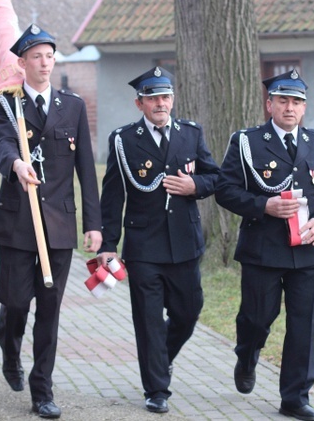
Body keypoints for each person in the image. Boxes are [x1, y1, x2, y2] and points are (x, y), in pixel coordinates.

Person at [0, 24, 102, 419]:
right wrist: (16, 164)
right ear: (22, 62)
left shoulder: (72, 105)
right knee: (17, 302)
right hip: (19, 220)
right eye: (36, 56)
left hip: (59, 224)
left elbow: (86, 167)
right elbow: (0, 146)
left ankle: (43, 391)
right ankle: (8, 342)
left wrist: (94, 223)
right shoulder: (6, 103)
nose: (45, 63)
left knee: (49, 311)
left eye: (50, 55)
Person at [214, 69, 314, 421]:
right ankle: (247, 353)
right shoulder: (247, 141)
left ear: (304, 108)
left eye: (297, 102)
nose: (290, 108)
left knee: (303, 325)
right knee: (258, 319)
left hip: (308, 250)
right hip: (264, 249)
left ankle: (295, 398)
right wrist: (264, 205)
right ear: (269, 104)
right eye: (283, 101)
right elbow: (225, 190)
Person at [95, 66, 220, 414]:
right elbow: (113, 195)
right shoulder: (123, 140)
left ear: (172, 100)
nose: (161, 104)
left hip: (184, 242)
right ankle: (157, 389)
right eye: (153, 99)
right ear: (140, 104)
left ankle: (159, 359)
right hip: (144, 246)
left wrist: (195, 187)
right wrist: (108, 244)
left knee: (188, 312)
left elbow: (215, 177)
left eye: (165, 97)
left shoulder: (191, 135)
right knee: (148, 320)